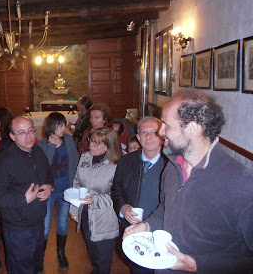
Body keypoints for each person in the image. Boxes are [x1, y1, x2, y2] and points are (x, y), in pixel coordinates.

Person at [124, 91, 253, 273]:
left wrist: (196, 265)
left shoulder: (240, 184)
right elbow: (166, 207)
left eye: (166, 125)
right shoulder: (173, 166)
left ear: (193, 128)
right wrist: (148, 225)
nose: (160, 133)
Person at [0, 116, 54, 274]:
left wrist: (50, 186)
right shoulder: (3, 161)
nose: (29, 136)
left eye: (31, 130)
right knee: (21, 268)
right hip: (17, 227)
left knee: (37, 263)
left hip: (38, 220)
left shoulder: (38, 151)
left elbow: (49, 174)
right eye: (22, 132)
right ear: (12, 136)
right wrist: (23, 199)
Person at [111, 116, 166, 274]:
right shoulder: (126, 162)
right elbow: (116, 189)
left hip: (160, 235)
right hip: (134, 235)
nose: (148, 136)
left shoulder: (171, 165)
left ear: (162, 137)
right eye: (144, 132)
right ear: (139, 138)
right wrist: (123, 207)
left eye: (154, 132)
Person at [70, 127, 121, 273]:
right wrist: (74, 208)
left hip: (104, 219)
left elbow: (118, 197)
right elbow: (77, 183)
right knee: (92, 252)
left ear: (108, 147)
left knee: (103, 258)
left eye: (97, 143)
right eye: (91, 141)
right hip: (85, 214)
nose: (91, 145)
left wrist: (96, 200)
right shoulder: (85, 157)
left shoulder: (116, 165)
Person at [37, 112, 79, 270]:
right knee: (45, 226)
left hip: (66, 189)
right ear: (52, 127)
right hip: (48, 190)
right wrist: (52, 145)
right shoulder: (41, 145)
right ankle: (40, 257)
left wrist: (75, 185)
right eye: (61, 125)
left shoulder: (69, 140)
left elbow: (74, 163)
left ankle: (61, 253)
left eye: (64, 124)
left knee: (62, 222)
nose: (64, 128)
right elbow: (43, 167)